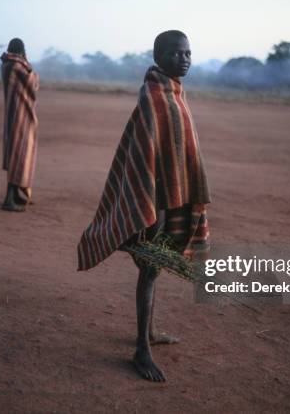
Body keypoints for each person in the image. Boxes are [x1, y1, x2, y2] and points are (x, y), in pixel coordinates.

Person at [77, 30, 210, 381]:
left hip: (171, 199)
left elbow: (180, 150)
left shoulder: (174, 92)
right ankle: (141, 348)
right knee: (150, 270)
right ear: (159, 56)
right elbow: (146, 155)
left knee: (153, 270)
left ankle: (148, 334)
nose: (185, 59)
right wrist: (155, 204)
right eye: (177, 53)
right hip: (156, 202)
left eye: (189, 53)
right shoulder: (155, 96)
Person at [0, 38, 39, 212]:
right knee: (19, 156)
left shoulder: (6, 65)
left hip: (13, 115)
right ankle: (9, 200)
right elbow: (34, 82)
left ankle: (16, 194)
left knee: (17, 155)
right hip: (20, 118)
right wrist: (26, 61)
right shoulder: (17, 67)